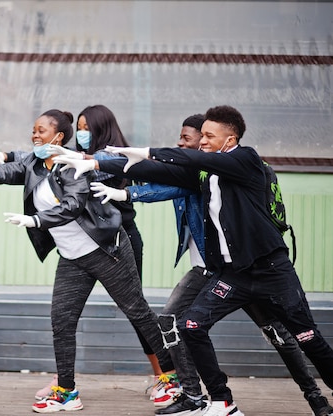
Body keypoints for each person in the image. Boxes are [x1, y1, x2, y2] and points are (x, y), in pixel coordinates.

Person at [55, 105, 333, 416]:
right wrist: (92, 160)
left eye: (208, 136)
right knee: (190, 324)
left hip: (272, 272)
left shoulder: (247, 159)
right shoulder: (205, 174)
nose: (202, 141)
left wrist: (148, 151)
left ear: (230, 140)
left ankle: (320, 399)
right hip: (234, 275)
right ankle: (222, 400)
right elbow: (161, 173)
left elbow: (190, 158)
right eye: (201, 136)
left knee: (307, 338)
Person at [0, 109, 175, 413]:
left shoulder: (73, 165)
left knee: (138, 312)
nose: (35, 135)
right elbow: (7, 171)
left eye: (41, 131)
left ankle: (172, 377)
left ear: (58, 136)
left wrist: (35, 221)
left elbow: (72, 205)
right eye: (33, 130)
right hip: (72, 257)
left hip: (106, 250)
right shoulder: (34, 162)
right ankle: (67, 391)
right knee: (62, 323)